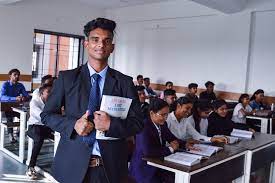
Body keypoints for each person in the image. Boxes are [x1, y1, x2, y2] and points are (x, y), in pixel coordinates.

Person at [41, 18, 143, 183]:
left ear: (112, 47)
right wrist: (73, 124)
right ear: (86, 43)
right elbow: (47, 115)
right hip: (71, 165)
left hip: (109, 169)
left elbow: (138, 122)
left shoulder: (124, 82)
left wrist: (111, 125)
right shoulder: (67, 79)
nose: (101, 45)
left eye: (106, 41)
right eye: (95, 40)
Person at [129, 98, 194, 183]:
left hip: (159, 164)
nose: (165, 118)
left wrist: (185, 144)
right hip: (144, 169)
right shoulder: (143, 127)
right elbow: (148, 152)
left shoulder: (162, 124)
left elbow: (171, 137)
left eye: (167, 115)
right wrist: (170, 149)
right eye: (162, 115)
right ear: (152, 113)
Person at [26, 84, 53, 179]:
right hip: (34, 127)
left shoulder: (51, 102)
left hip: (46, 127)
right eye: (48, 92)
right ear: (41, 93)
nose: (50, 94)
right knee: (39, 139)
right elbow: (42, 117)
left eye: (52, 92)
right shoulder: (34, 102)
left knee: (65, 135)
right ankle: (31, 166)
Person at [0, 68, 30, 143]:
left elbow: (26, 95)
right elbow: (2, 97)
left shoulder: (20, 85)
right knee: (9, 117)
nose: (17, 76)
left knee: (25, 116)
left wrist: (24, 97)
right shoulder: (5, 84)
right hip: (6, 107)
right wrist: (15, 98)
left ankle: (20, 132)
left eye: (18, 75)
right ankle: (11, 135)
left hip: (17, 107)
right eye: (15, 75)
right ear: (10, 76)